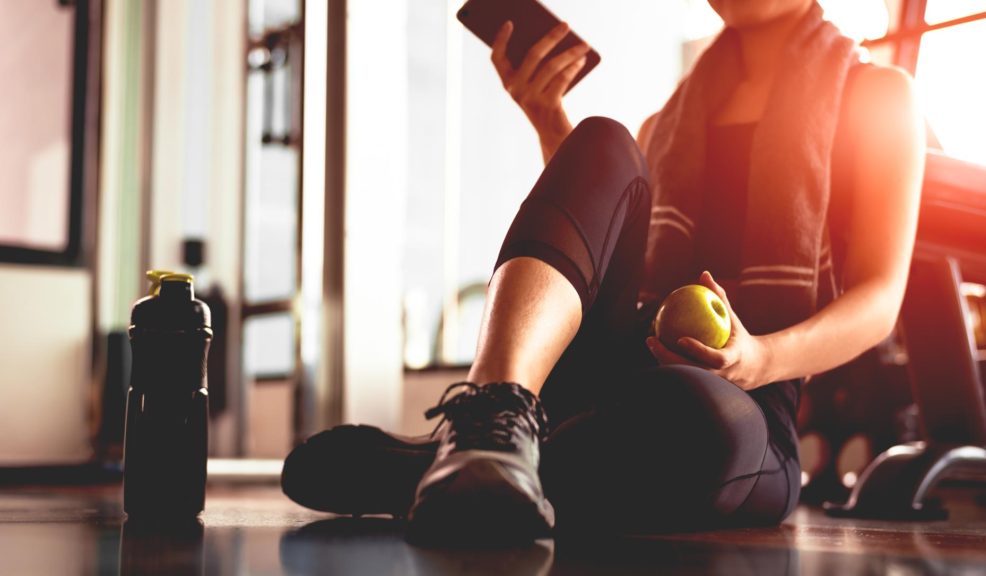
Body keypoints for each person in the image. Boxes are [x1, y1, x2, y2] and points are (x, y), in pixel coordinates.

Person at [282, 0, 925, 543]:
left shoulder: (877, 96)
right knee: (603, 140)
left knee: (695, 417)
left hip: (743, 406)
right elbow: (612, 262)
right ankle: (496, 418)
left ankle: (469, 466)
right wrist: (546, 120)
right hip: (605, 373)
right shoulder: (666, 124)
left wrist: (757, 359)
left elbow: (879, 300)